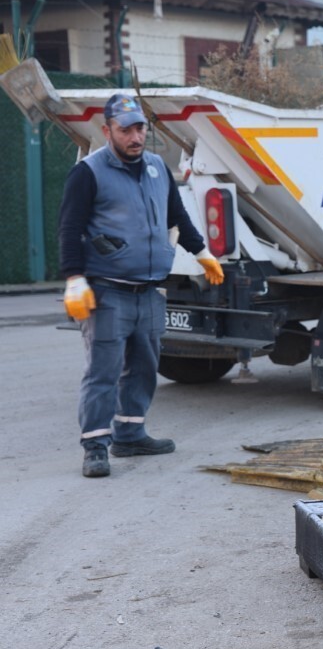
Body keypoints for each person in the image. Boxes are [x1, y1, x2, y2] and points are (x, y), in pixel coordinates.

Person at [58, 94, 225, 478]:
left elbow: (176, 214)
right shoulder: (89, 172)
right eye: (126, 130)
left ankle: (131, 434)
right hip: (107, 289)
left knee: (145, 366)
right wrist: (73, 279)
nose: (135, 137)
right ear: (107, 131)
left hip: (149, 289)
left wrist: (201, 252)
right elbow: (69, 228)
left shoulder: (156, 168)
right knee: (104, 370)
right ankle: (96, 446)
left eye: (140, 128)